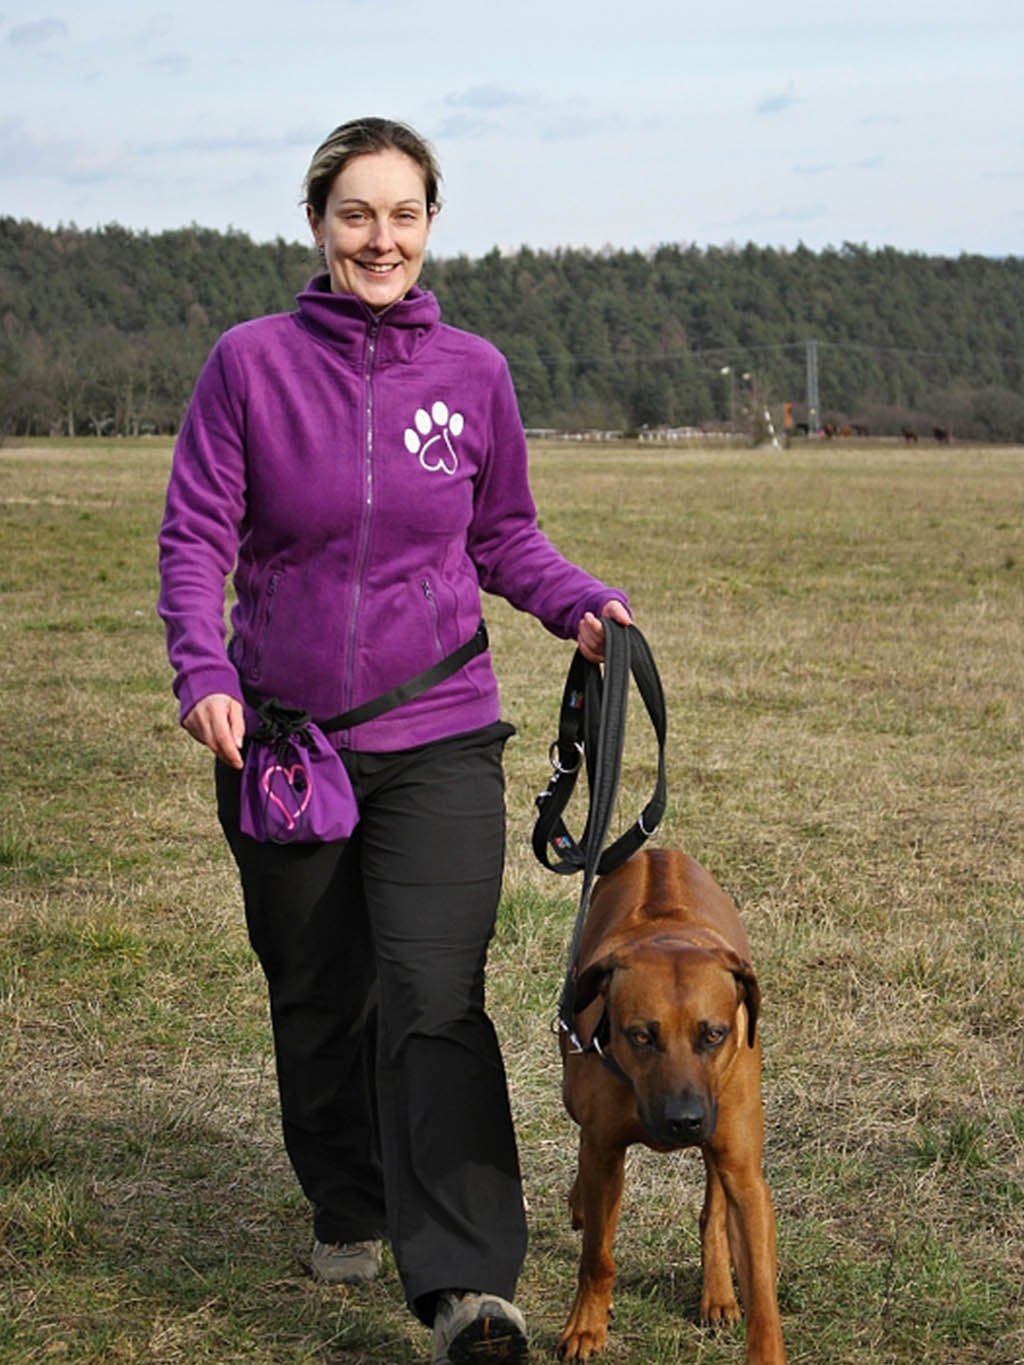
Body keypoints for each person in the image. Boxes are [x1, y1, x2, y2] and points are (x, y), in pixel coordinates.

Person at [157, 115, 630, 1364]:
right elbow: (197, 533)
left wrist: (579, 603)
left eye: (404, 215)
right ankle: (347, 1197)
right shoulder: (248, 364)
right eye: (356, 214)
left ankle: (468, 1285)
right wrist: (202, 666)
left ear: (430, 225)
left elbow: (504, 535)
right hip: (285, 744)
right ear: (318, 224)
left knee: (434, 997)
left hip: (438, 731)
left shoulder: (473, 371)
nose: (381, 238)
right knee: (320, 996)